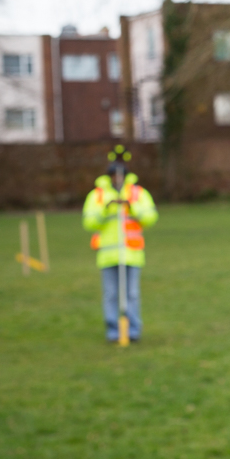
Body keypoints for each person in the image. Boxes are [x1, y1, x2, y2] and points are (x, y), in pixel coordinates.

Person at [82, 146, 158, 343]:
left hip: (131, 253)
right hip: (107, 254)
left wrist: (131, 208)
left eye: (120, 176)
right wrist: (107, 210)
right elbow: (89, 222)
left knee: (132, 294)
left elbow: (150, 217)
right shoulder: (98, 195)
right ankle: (113, 331)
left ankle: (133, 331)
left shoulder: (137, 193)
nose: (118, 179)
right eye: (114, 176)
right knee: (111, 294)